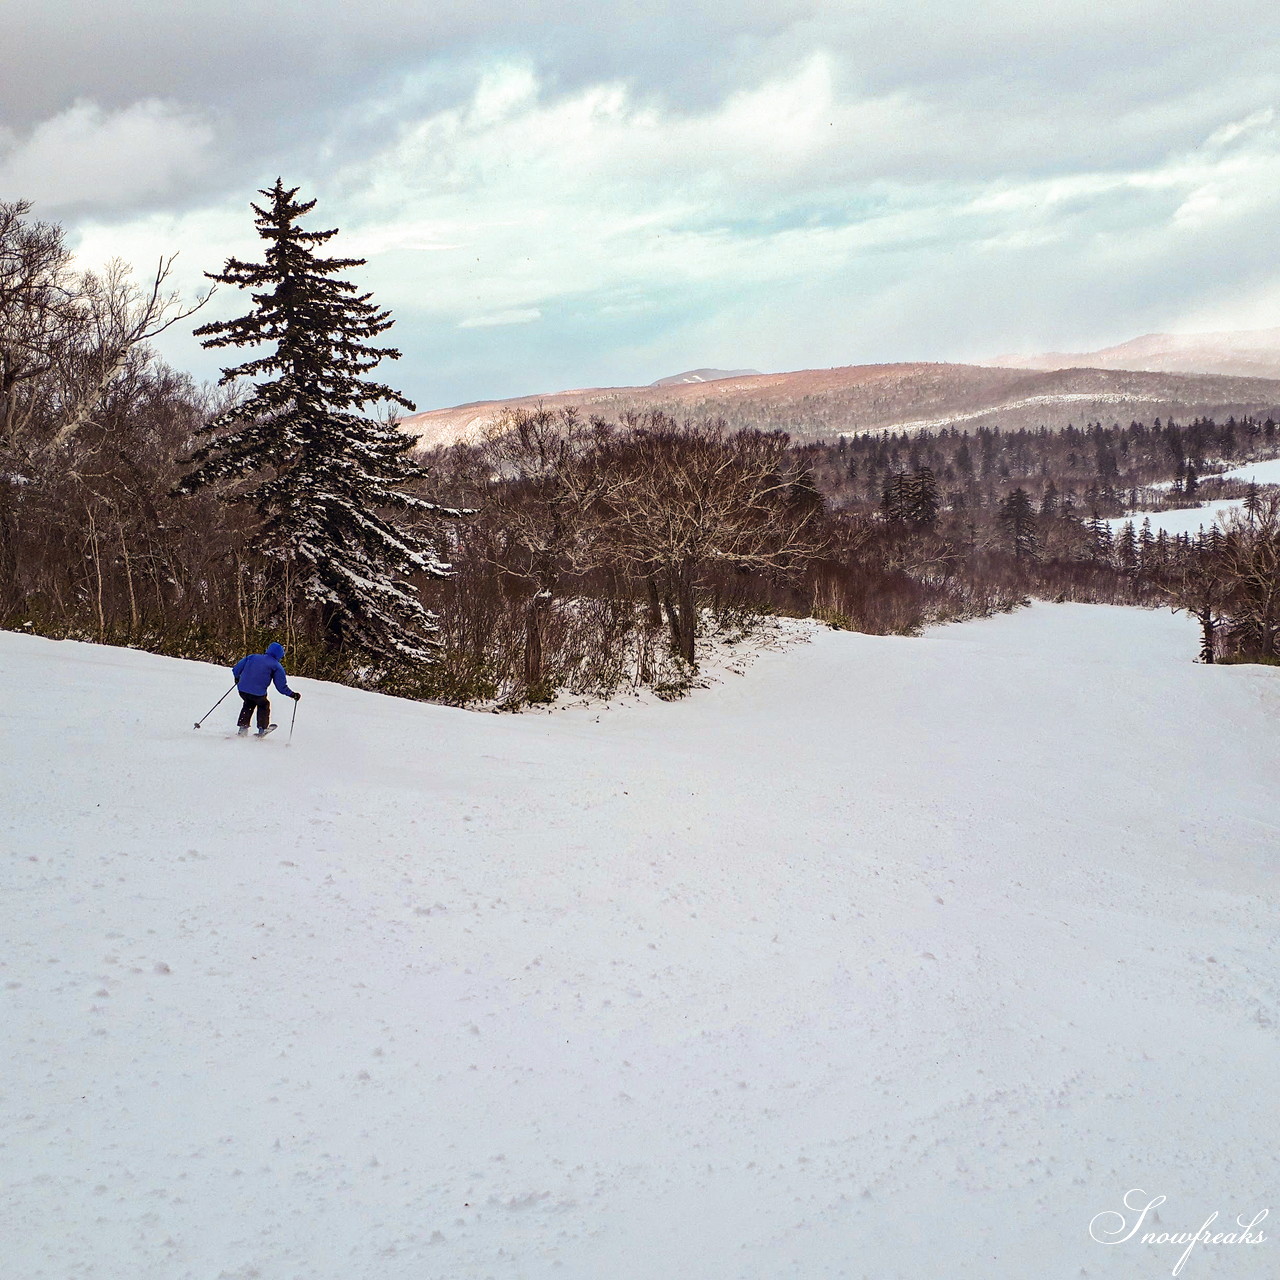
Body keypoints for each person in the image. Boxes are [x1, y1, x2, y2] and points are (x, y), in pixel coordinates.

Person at [232, 642, 300, 737]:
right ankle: (262, 729)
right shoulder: (276, 666)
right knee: (264, 705)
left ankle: (242, 728)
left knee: (248, 704)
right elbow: (281, 686)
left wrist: (237, 678)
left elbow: (236, 669)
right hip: (258, 693)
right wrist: (292, 694)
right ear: (279, 654)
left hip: (242, 690)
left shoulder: (252, 657)